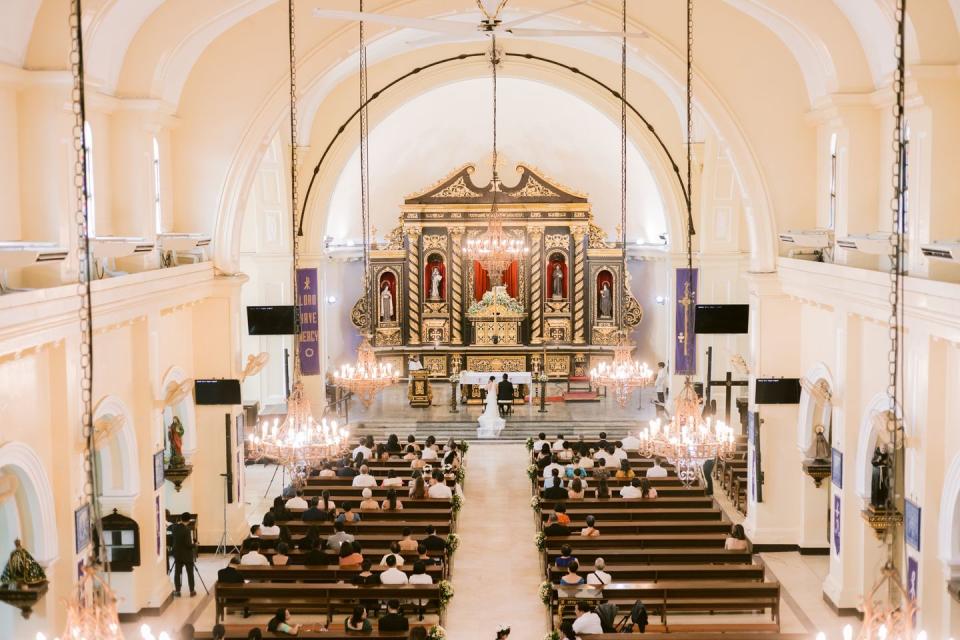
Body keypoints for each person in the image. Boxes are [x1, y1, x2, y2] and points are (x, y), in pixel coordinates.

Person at [170, 512, 196, 597]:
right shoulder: (187, 530)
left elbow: (171, 526)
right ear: (189, 520)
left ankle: (178, 591)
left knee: (177, 573)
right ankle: (192, 591)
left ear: (181, 519)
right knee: (190, 573)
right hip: (187, 556)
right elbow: (188, 544)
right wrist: (195, 545)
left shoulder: (174, 528)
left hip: (177, 554)